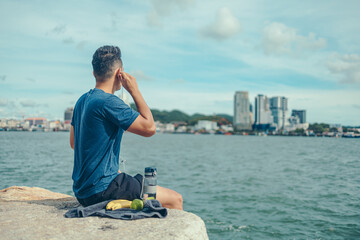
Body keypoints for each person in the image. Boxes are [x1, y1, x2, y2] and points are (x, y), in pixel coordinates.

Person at [70, 45, 183, 210]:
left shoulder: (82, 100)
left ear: (94, 73)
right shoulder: (109, 102)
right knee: (175, 199)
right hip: (102, 190)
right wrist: (134, 90)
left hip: (82, 191)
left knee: (133, 183)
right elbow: (150, 128)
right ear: (119, 73)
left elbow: (74, 143)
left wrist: (107, 169)